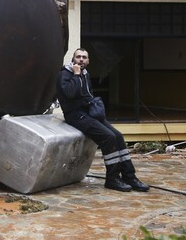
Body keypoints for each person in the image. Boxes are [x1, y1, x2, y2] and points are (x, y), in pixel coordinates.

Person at [56, 48, 149, 192]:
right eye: (78, 57)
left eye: (84, 57)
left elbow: (87, 94)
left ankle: (129, 176)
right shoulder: (65, 74)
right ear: (73, 59)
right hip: (75, 115)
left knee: (118, 136)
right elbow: (69, 93)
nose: (81, 59)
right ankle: (112, 179)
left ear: (88, 61)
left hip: (88, 113)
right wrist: (76, 74)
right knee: (108, 137)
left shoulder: (85, 73)